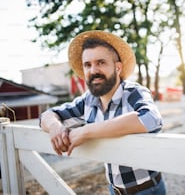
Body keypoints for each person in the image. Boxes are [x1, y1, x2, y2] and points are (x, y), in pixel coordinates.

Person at [40, 30, 166, 195]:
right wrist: (54, 126)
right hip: (114, 190)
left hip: (147, 189)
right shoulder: (88, 100)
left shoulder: (133, 92)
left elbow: (151, 119)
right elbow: (47, 115)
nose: (93, 70)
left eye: (101, 62)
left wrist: (86, 131)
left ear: (118, 67)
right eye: (88, 65)